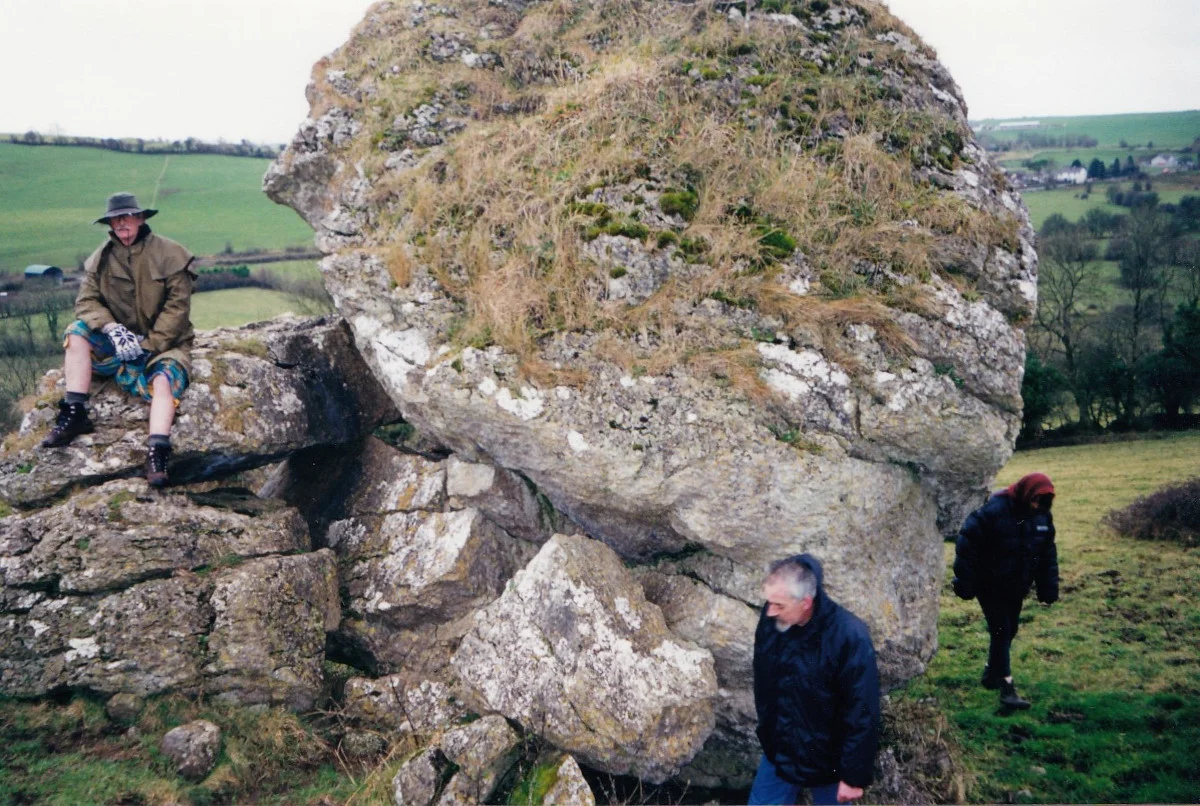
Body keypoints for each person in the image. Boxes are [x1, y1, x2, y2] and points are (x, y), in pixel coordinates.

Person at [40, 192, 196, 487]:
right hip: (118, 340)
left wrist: (148, 346)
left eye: (127, 217)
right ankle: (74, 412)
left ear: (140, 218)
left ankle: (157, 453)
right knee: (76, 333)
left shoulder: (171, 254)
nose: (122, 223)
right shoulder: (99, 260)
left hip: (166, 343)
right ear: (110, 223)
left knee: (164, 380)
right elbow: (86, 302)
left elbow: (177, 309)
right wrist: (112, 328)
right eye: (115, 219)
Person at [750, 554, 881, 805]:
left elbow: (862, 710)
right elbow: (765, 686)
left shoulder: (849, 636)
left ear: (806, 602)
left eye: (779, 605)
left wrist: (853, 776)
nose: (770, 611)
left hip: (829, 760)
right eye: (769, 602)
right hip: (780, 751)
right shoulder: (771, 624)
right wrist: (768, 734)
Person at [952, 472, 1059, 711]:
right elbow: (967, 544)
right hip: (989, 583)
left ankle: (992, 673)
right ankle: (1007, 689)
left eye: (1042, 502)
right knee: (1001, 631)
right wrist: (965, 583)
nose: (1037, 506)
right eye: (1035, 500)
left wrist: (1048, 588)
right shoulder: (993, 511)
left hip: (1016, 585)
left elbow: (1047, 554)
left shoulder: (1042, 517)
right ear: (1025, 493)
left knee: (1009, 631)